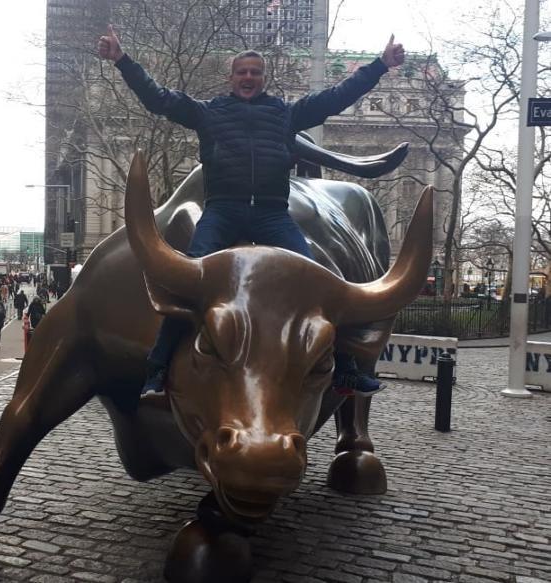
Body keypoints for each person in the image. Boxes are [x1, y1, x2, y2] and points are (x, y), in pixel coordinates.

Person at [98, 25, 405, 396]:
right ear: (231, 78)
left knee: (317, 281)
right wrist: (122, 60)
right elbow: (158, 98)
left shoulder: (285, 114)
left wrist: (380, 65)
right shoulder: (209, 113)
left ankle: (344, 367)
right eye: (241, 72)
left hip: (272, 213)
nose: (248, 77)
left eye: (254, 72)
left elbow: (335, 98)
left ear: (263, 78)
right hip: (223, 210)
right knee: (188, 279)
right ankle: (158, 367)